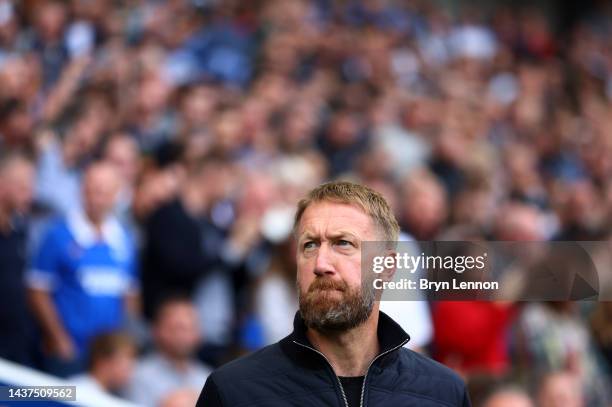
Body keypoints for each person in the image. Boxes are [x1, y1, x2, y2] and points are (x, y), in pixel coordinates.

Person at [197, 181, 470, 406]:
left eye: (343, 243)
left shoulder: (444, 393)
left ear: (387, 267)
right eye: (309, 245)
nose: (320, 264)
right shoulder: (233, 392)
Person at [27, 161, 139, 377]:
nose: (97, 198)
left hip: (107, 357)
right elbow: (37, 291)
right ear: (82, 191)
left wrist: (124, 345)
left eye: (104, 192)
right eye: (92, 190)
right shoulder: (58, 234)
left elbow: (130, 295)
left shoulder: (123, 239)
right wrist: (58, 338)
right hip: (68, 351)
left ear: (117, 195)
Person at [127, 295, 211, 407]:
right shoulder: (135, 375)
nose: (185, 335)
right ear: (157, 330)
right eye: (179, 327)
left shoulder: (207, 377)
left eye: (191, 327)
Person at [0, 153, 36, 365]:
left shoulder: (19, 232)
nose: (30, 195)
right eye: (23, 187)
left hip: (16, 347)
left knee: (27, 399)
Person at [70, 332, 137, 397]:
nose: (129, 372)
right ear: (103, 362)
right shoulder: (75, 387)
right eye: (125, 366)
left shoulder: (109, 397)